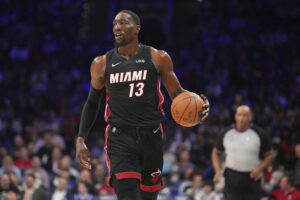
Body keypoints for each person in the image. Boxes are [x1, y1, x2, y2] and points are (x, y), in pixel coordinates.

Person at [75, 10, 209, 200]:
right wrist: (81, 138)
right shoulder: (101, 63)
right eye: (114, 23)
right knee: (128, 195)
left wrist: (200, 105)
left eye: (123, 23)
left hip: (151, 137)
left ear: (137, 28)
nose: (117, 27)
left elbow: (178, 94)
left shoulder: (158, 57)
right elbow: (92, 102)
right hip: (120, 138)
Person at [211, 105, 273, 200]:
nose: (242, 118)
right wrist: (217, 171)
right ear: (235, 116)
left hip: (252, 175)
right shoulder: (225, 133)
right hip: (232, 175)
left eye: (245, 115)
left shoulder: (260, 133)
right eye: (239, 115)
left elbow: (269, 155)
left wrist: (260, 169)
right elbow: (216, 153)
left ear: (250, 117)